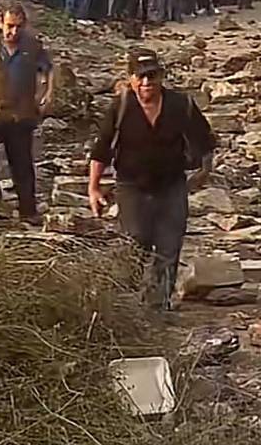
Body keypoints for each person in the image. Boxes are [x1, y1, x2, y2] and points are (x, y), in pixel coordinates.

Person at [88, 49, 216, 309]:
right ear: (131, 79)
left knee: (169, 246)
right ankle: (127, 299)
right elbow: (101, 149)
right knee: (137, 240)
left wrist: (204, 171)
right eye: (141, 76)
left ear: (161, 76)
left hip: (171, 185)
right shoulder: (121, 107)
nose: (147, 82)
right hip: (131, 186)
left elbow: (205, 140)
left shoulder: (180, 105)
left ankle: (158, 305)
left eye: (152, 76)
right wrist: (94, 188)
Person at [0, 0, 53, 222]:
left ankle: (28, 210)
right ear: (0, 22)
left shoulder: (32, 46)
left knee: (21, 163)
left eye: (18, 26)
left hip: (20, 115)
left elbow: (47, 69)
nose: (14, 31)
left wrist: (48, 94)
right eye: (10, 26)